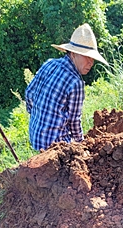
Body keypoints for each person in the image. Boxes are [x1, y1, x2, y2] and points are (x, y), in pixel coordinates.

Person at [25, 23, 108, 151]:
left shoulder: (49, 64)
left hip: (35, 139)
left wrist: (38, 116)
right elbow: (74, 121)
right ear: (73, 54)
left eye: (92, 58)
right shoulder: (76, 83)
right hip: (55, 146)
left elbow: (29, 94)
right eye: (86, 56)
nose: (90, 63)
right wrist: (82, 147)